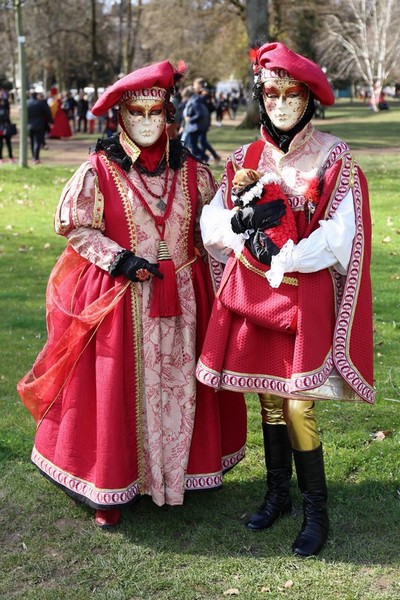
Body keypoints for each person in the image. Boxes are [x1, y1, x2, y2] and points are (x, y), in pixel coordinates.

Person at [17, 60, 246, 529]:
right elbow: (76, 225)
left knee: (183, 388)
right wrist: (119, 259)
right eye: (136, 113)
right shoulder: (97, 171)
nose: (146, 122)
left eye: (155, 113)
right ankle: (113, 482)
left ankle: (180, 471)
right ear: (120, 117)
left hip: (185, 296)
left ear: (168, 117)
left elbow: (211, 230)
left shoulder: (195, 173)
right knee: (118, 390)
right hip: (123, 298)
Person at [196, 42, 374, 557]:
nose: (279, 103)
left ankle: (316, 509)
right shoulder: (243, 157)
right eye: (269, 93)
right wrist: (239, 231)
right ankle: (278, 495)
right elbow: (212, 220)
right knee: (269, 401)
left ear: (309, 100)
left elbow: (342, 235)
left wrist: (290, 254)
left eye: (290, 94)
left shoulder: (332, 156)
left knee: (299, 405)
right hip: (254, 295)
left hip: (304, 296)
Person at [27, 91, 53, 164]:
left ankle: (33, 157)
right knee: (37, 142)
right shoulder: (40, 103)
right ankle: (36, 158)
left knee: (32, 141)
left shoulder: (26, 103)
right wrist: (51, 121)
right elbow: (47, 113)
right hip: (39, 124)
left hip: (28, 125)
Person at [0, 96, 15, 163]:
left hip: (2, 129)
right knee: (7, 143)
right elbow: (7, 119)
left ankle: (2, 158)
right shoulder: (5, 110)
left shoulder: (5, 109)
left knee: (1, 144)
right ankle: (10, 157)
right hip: (4, 128)